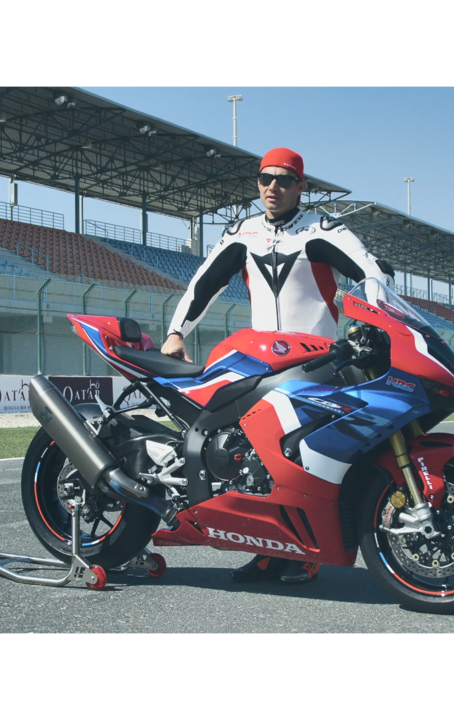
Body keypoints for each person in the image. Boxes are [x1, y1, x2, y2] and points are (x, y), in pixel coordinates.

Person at [161, 147, 394, 584]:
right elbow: (205, 283)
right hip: (260, 362)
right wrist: (176, 332)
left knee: (312, 461)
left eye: (285, 179)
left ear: (301, 186)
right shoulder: (242, 232)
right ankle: (269, 550)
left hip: (319, 362)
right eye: (265, 179)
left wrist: (376, 318)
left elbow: (372, 271)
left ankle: (310, 550)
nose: (273, 187)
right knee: (254, 464)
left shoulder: (322, 229)